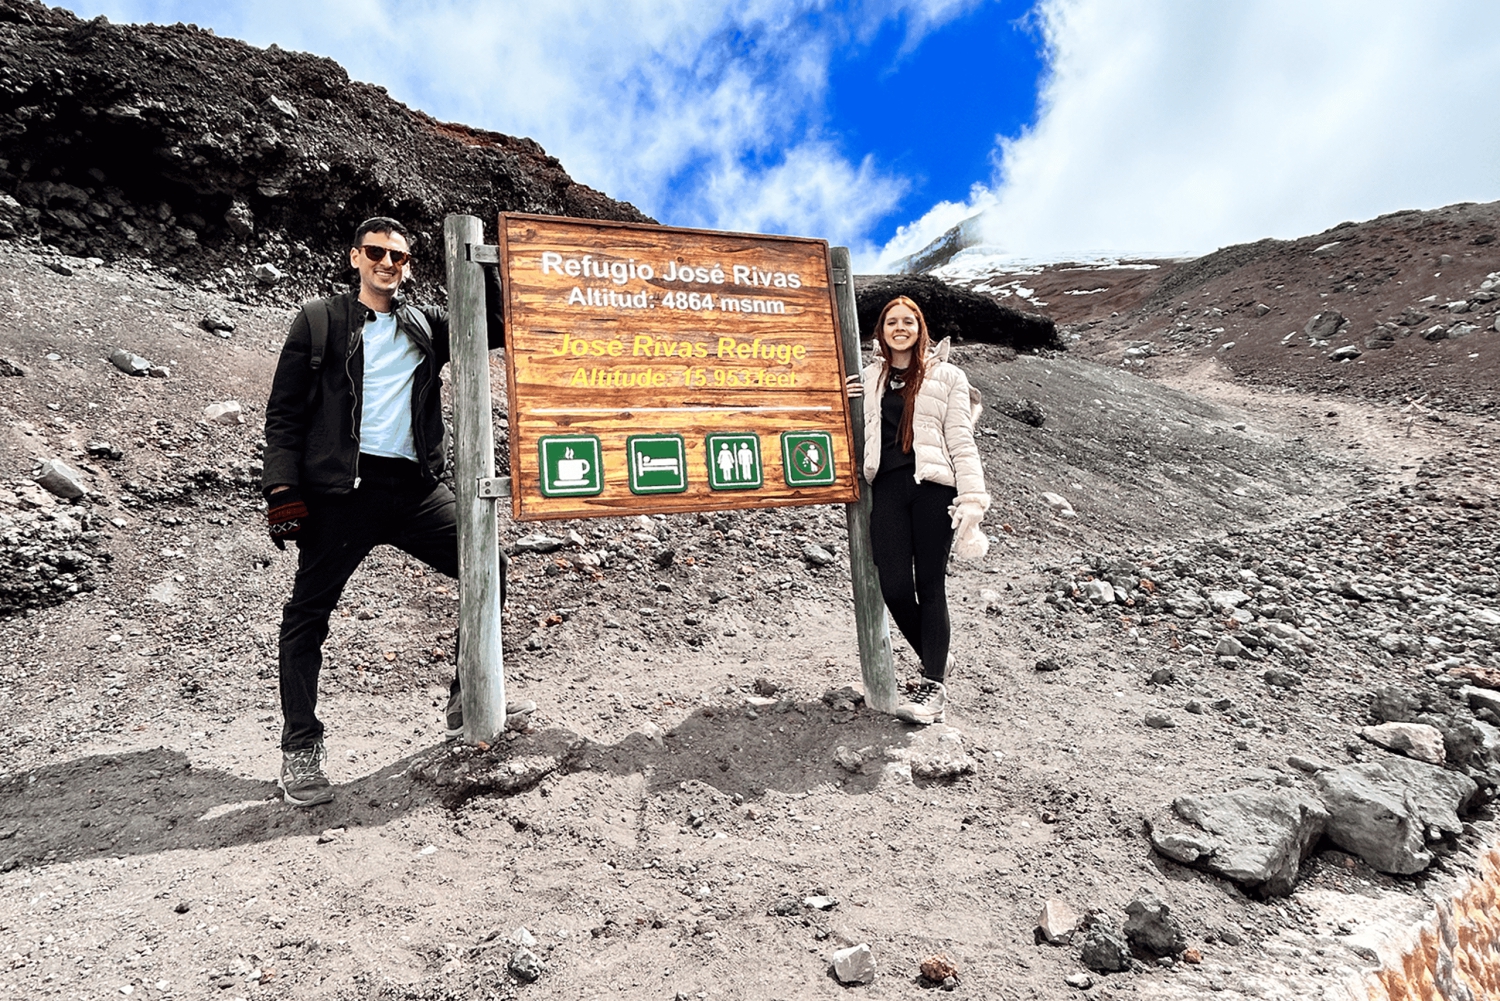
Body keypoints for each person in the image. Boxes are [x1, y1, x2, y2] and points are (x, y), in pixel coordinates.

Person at [262, 216, 506, 806]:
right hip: (342, 493)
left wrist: (492, 260)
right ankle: (301, 748)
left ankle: (466, 696)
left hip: (415, 490)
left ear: (409, 266)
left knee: (488, 567)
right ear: (356, 257)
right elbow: (284, 413)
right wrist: (282, 490)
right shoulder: (320, 320)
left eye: (398, 256)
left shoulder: (427, 323)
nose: (387, 263)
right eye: (376, 252)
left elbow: (495, 327)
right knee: (307, 616)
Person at [848, 296, 990, 725]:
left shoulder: (949, 376)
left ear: (919, 328)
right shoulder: (870, 377)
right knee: (892, 586)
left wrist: (973, 497)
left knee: (930, 585)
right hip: (887, 488)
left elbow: (961, 439)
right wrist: (845, 399)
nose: (900, 328)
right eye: (892, 321)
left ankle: (932, 687)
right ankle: (937, 656)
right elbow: (857, 430)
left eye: (908, 321)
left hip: (933, 489)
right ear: (881, 331)